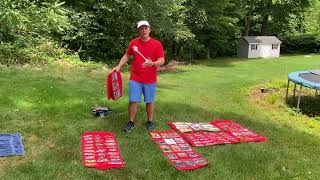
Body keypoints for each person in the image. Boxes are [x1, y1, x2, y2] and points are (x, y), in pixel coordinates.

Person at [111, 20, 165, 132]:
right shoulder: (134, 43)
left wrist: (153, 63)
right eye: (141, 28)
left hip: (150, 79)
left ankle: (150, 121)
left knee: (149, 101)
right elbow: (127, 55)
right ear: (138, 31)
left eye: (146, 28)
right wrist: (119, 66)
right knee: (132, 100)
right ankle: (131, 122)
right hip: (136, 78)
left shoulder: (157, 44)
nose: (144, 30)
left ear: (149, 29)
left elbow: (162, 60)